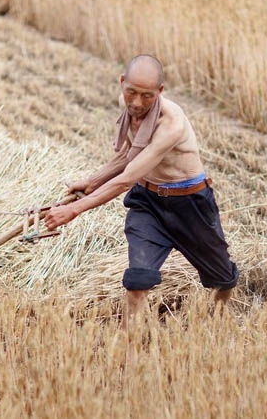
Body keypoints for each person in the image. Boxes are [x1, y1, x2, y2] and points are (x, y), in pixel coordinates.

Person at [44, 54, 239, 324]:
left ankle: (217, 322)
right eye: (131, 92)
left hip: (191, 204)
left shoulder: (170, 123)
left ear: (159, 92)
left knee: (222, 280)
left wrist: (73, 210)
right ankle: (129, 352)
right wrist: (93, 181)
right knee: (137, 281)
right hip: (148, 204)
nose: (136, 102)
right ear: (122, 83)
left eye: (146, 96)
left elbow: (126, 179)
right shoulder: (129, 106)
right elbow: (129, 153)